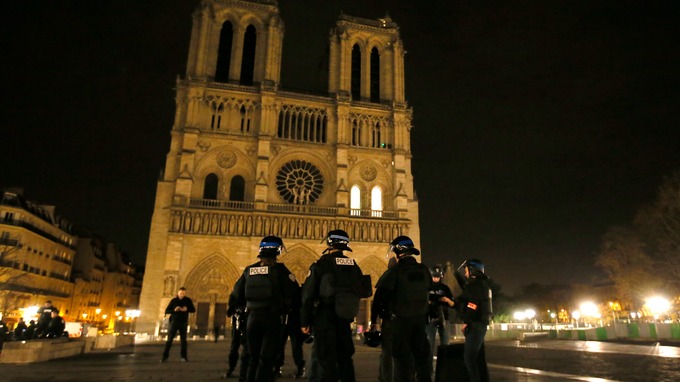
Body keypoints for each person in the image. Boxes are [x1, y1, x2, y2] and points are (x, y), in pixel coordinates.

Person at [300, 229, 371, 382]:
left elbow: (308, 295)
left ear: (329, 243)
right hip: (345, 318)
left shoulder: (321, 265)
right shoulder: (353, 266)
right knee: (345, 358)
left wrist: (305, 321)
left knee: (326, 359)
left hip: (325, 317)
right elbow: (363, 290)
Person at [231, 236, 298, 382]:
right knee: (266, 358)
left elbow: (236, 293)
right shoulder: (281, 271)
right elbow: (294, 292)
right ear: (278, 251)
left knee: (250, 356)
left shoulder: (250, 270)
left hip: (251, 318)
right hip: (272, 318)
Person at [374, 236, 432, 382]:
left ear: (399, 252)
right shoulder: (424, 270)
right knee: (421, 359)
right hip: (419, 321)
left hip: (400, 322)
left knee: (401, 359)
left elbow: (379, 299)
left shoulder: (395, 272)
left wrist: (375, 320)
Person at [453, 259, 492, 382]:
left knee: (469, 358)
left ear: (472, 271)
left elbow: (472, 304)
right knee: (478, 358)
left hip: (475, 324)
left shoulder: (475, 285)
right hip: (479, 324)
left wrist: (465, 321)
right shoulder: (481, 284)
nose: (465, 274)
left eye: (466, 271)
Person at [370, 256, 398, 382]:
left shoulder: (387, 277)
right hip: (409, 320)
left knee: (387, 352)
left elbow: (377, 301)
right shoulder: (407, 274)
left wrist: (374, 320)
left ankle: (386, 378)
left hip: (390, 321)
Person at [275, 276, 305, 379]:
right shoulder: (293, 284)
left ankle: (278, 368)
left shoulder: (279, 278)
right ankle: (300, 368)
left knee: (281, 344)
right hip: (293, 319)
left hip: (286, 318)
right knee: (295, 345)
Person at [426, 265, 453, 375]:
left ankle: (445, 370)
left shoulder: (445, 288)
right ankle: (428, 371)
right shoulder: (426, 287)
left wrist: (446, 300)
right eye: (434, 277)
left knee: (445, 346)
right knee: (429, 347)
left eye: (438, 277)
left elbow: (452, 303)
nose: (436, 279)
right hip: (430, 318)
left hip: (443, 318)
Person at [161, 286, 196, 363]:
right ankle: (165, 357)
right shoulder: (173, 300)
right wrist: (174, 310)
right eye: (181, 293)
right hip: (174, 322)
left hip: (183, 322)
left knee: (183, 341)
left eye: (183, 293)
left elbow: (193, 310)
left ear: (185, 293)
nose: (182, 295)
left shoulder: (188, 300)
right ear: (178, 293)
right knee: (169, 340)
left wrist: (187, 309)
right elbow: (167, 310)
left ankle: (183, 357)